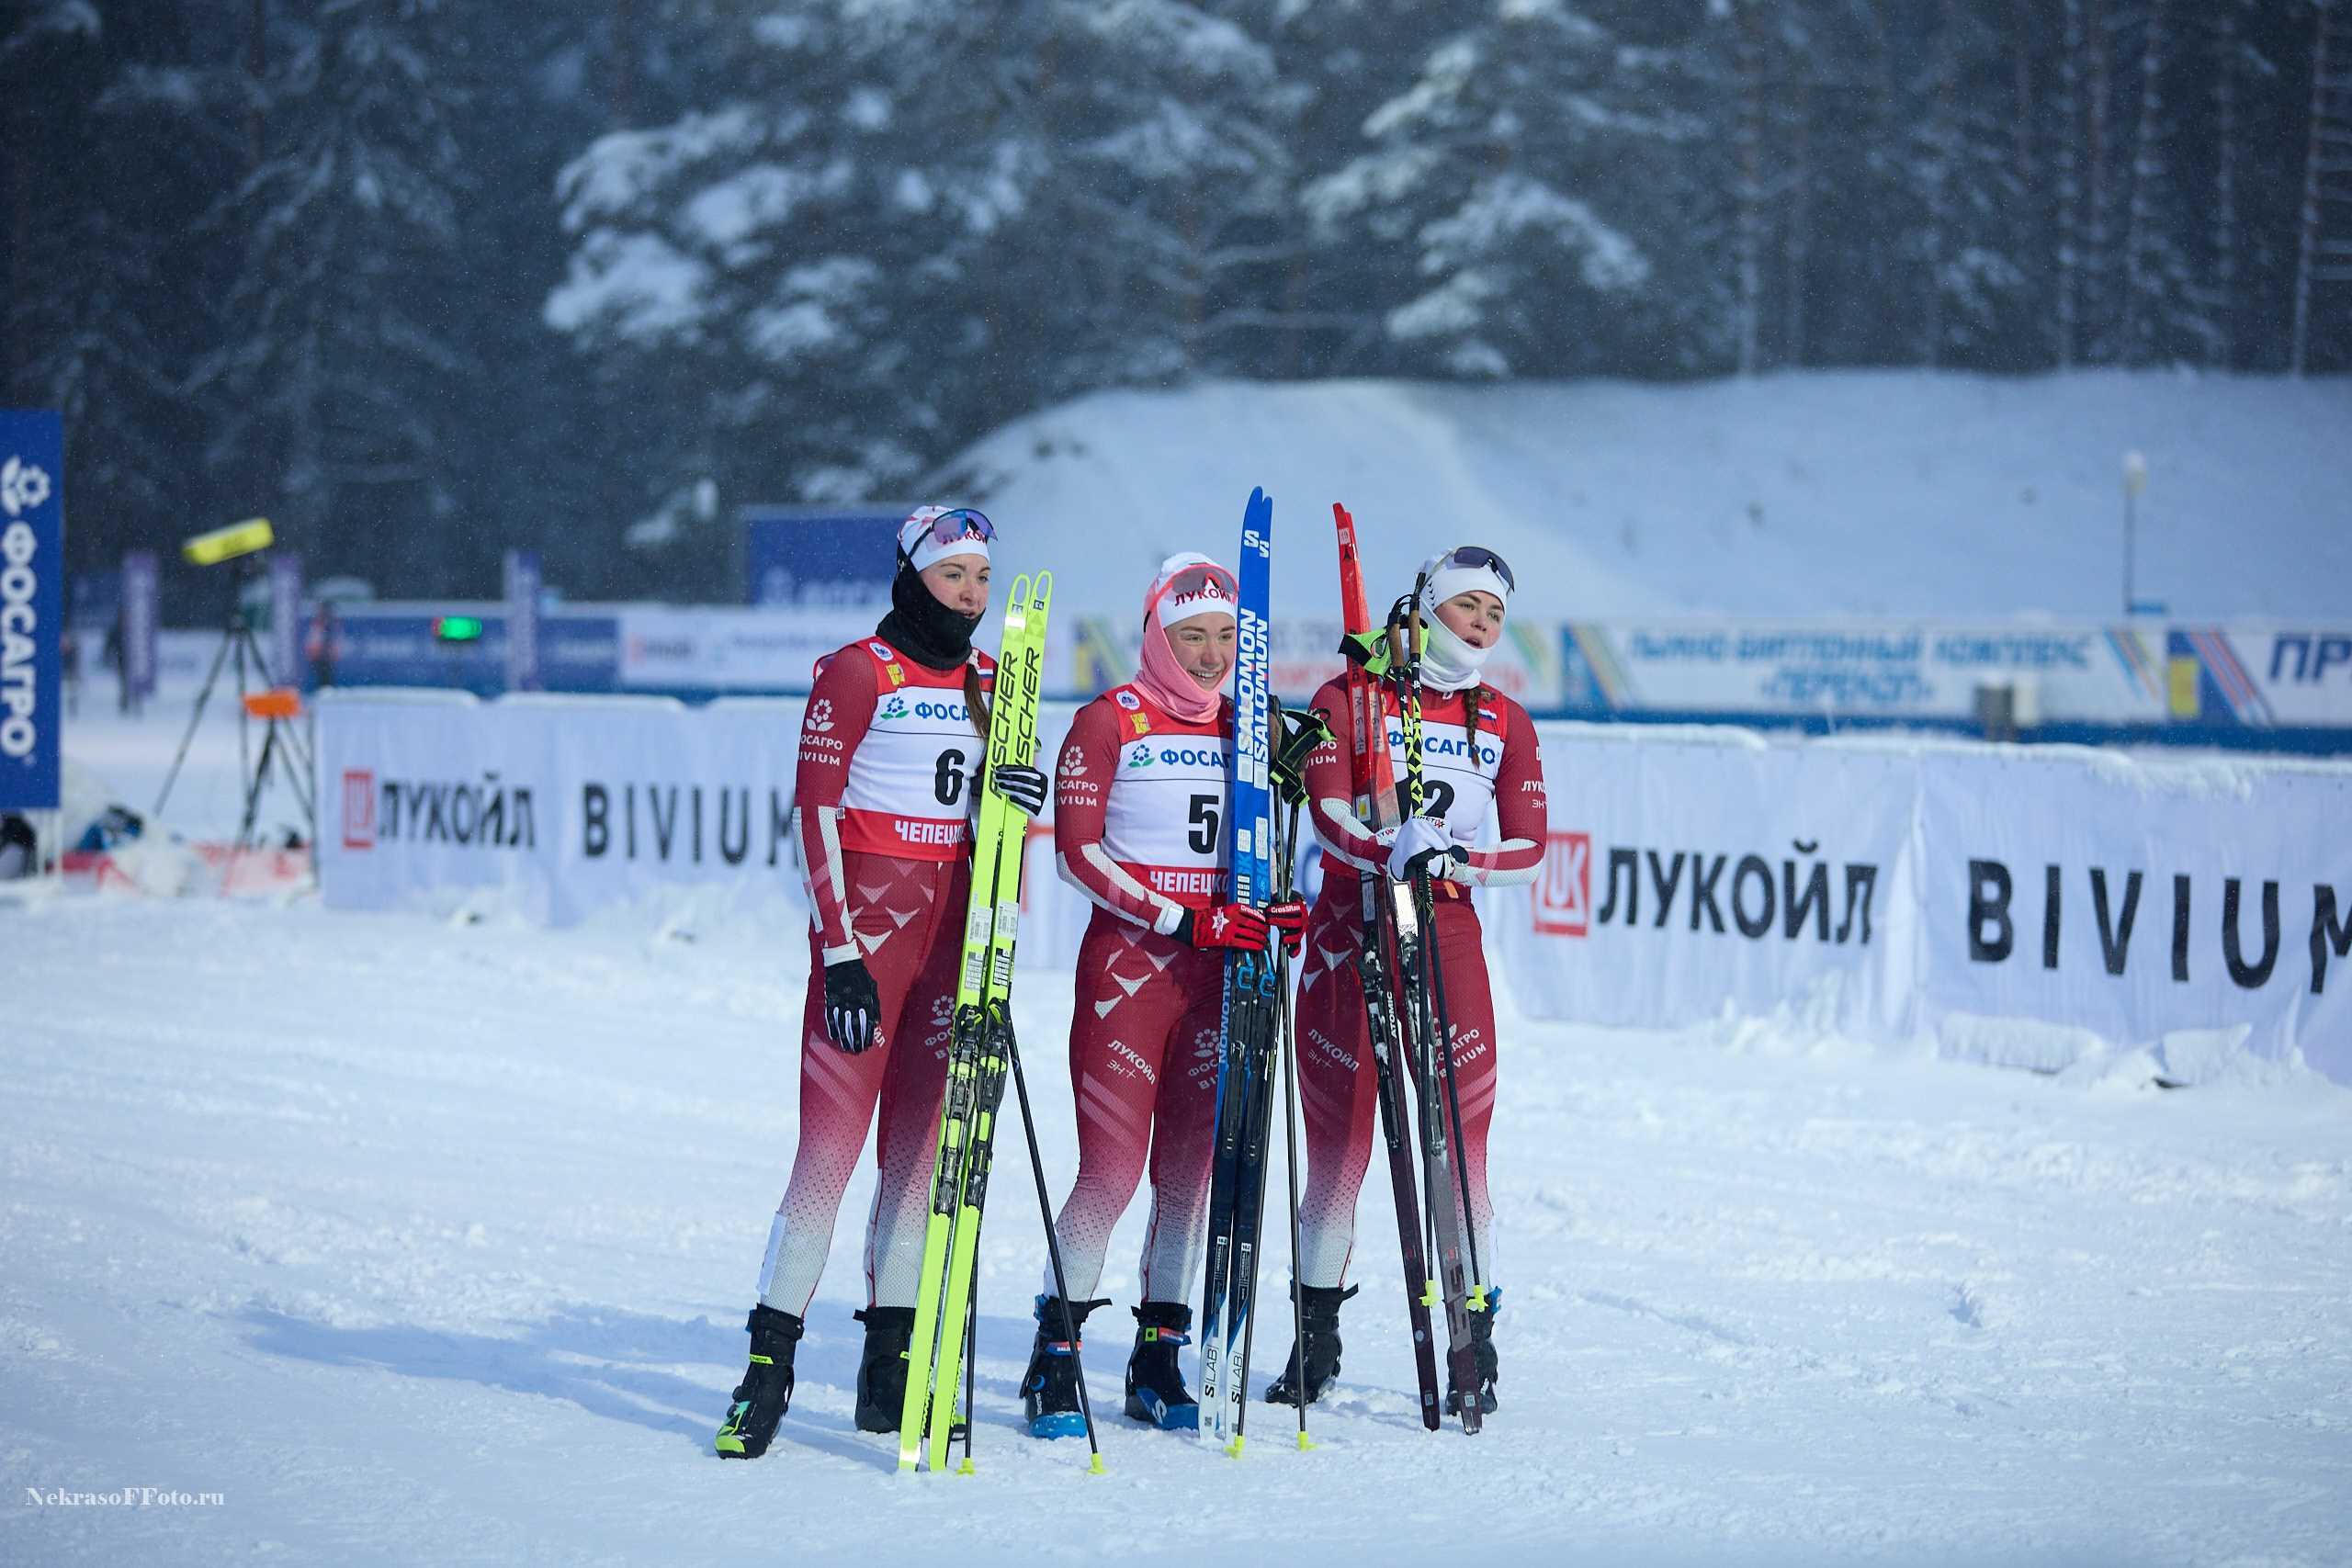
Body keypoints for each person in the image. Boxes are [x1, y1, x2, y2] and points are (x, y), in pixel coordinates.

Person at [715, 506, 1049, 1460]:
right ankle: (764, 1375)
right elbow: (814, 811)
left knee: (919, 1161)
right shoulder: (860, 668)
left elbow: (1008, 826)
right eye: (954, 579)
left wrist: (1015, 802)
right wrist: (839, 950)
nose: (972, 599)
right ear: (912, 579)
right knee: (825, 1156)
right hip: (869, 934)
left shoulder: (996, 683)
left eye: (982, 581)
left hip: (953, 938)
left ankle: (889, 1368)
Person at [1019, 554, 1306, 1437]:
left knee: (1189, 1177)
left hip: (1221, 977)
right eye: (1192, 636)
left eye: (1224, 636)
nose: (1211, 653)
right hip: (1131, 973)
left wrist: (1278, 906)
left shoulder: (1254, 732)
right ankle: (1053, 1360)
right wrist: (1186, 920)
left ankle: (1158, 1357)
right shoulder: (1109, 720)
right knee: (1109, 1173)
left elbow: (1265, 844)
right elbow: (1077, 852)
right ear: (1157, 636)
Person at [1271, 546, 1547, 1417]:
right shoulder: (1348, 698)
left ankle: (1476, 1333)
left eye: (1495, 613)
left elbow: (1533, 846)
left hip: (1447, 929)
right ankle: (1315, 1338)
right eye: (1466, 604)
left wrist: (1456, 854)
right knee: (1343, 1156)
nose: (1481, 622)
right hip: (1353, 932)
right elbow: (1326, 812)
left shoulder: (1505, 718)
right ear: (1424, 606)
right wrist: (1384, 842)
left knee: (1463, 1150)